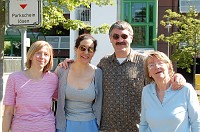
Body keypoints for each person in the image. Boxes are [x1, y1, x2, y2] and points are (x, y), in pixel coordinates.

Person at [60, 21, 186, 131]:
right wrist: (69, 63)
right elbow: (85, 69)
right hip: (106, 128)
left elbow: (162, 80)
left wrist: (178, 77)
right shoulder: (104, 63)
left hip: (135, 128)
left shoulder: (144, 62)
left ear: (131, 37)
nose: (120, 40)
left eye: (124, 36)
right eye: (116, 36)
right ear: (110, 38)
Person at [2, 41, 58, 132]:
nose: (42, 57)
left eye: (46, 54)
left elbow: (63, 99)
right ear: (31, 55)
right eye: (38, 53)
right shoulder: (14, 78)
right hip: (21, 128)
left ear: (50, 58)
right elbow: (8, 112)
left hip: (46, 128)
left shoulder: (53, 79)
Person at [139, 51, 200, 132]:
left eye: (160, 63)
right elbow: (144, 123)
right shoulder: (146, 91)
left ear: (169, 67)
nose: (156, 66)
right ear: (149, 73)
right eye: (151, 65)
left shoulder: (185, 89)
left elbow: (197, 122)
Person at [55, 34, 103, 132]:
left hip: (90, 126)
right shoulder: (62, 70)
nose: (86, 52)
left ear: (93, 52)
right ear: (75, 49)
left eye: (90, 49)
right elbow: (50, 93)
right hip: (65, 125)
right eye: (82, 48)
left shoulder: (98, 73)